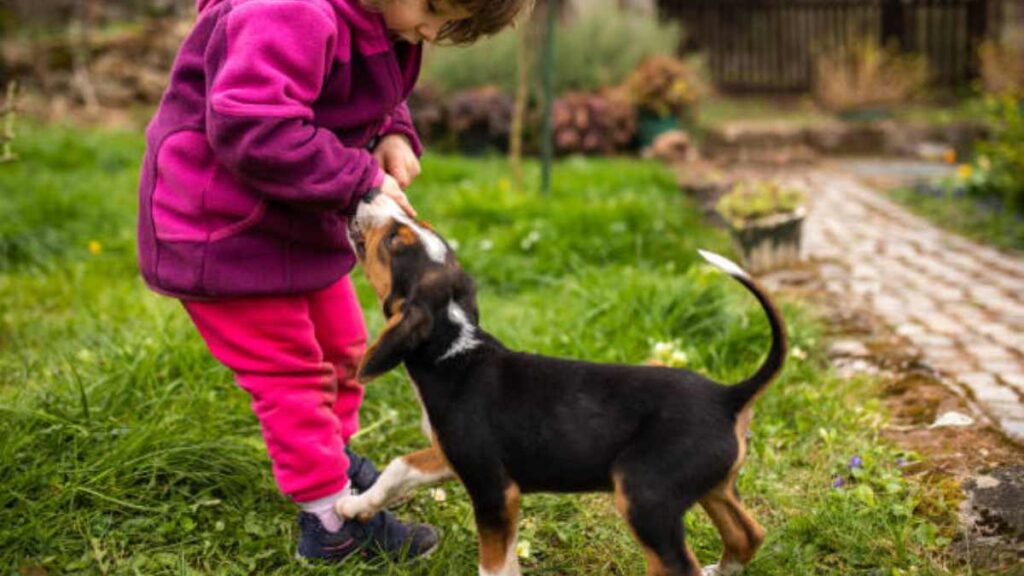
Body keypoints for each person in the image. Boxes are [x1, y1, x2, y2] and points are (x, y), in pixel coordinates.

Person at [136, 0, 527, 563]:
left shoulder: (384, 15)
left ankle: (330, 460)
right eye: (436, 10)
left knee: (344, 348)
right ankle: (330, 523)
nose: (434, 30)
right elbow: (254, 124)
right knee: (291, 376)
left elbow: (372, 96)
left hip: (291, 219)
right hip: (223, 232)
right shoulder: (289, 12)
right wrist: (360, 177)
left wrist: (392, 131)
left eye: (453, 26)